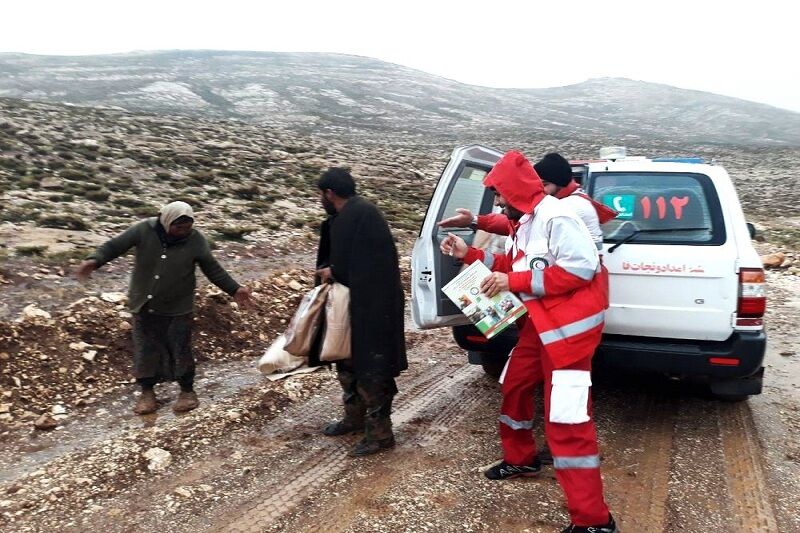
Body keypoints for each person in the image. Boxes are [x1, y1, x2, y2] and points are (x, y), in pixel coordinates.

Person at [441, 151, 617, 533]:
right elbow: (513, 268)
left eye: (501, 195)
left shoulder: (558, 216)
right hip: (542, 325)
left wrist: (514, 283)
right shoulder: (527, 223)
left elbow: (582, 268)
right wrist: (468, 253)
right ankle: (521, 458)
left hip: (570, 334)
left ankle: (594, 521)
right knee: (515, 384)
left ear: (516, 190)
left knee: (568, 422)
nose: (499, 203)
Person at [75, 201, 252, 415]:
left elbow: (212, 268)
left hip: (179, 306)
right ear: (166, 220)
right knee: (145, 348)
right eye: (178, 227)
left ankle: (187, 391)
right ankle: (147, 393)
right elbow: (115, 246)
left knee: (181, 347)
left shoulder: (195, 240)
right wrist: (94, 260)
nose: (183, 232)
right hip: (144, 304)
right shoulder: (143, 230)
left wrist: (234, 289)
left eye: (187, 227)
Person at [313, 168, 407, 457]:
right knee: (347, 362)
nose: (320, 200)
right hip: (350, 307)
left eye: (320, 195)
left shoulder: (364, 215)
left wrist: (334, 271)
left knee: (372, 369)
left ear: (329, 193)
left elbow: (372, 265)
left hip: (373, 309)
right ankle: (353, 418)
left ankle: (380, 435)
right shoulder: (341, 218)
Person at [439, 152, 614, 249]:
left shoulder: (569, 207)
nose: (540, 190)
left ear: (559, 183)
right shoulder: (564, 201)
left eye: (544, 185)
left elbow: (521, 224)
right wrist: (474, 220)